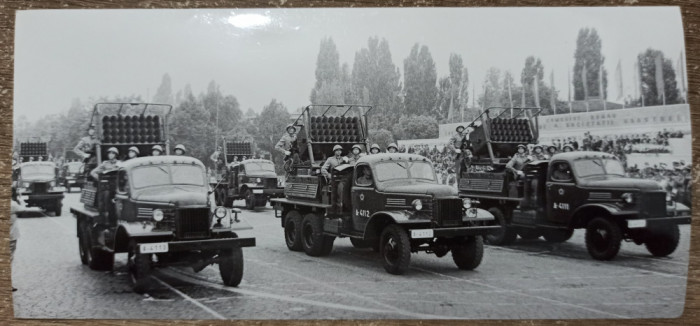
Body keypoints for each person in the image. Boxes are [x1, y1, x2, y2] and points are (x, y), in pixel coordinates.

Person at [90, 147, 121, 223]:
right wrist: (100, 180)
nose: (110, 155)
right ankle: (106, 218)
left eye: (113, 153)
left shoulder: (119, 163)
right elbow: (93, 172)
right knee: (106, 199)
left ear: (116, 155)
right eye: (109, 153)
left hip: (117, 186)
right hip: (107, 186)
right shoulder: (105, 163)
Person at [322, 145, 349, 212]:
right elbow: (323, 169)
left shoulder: (343, 159)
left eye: (340, 150)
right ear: (334, 151)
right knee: (334, 196)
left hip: (343, 178)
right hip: (334, 179)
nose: (338, 152)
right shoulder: (330, 159)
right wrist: (329, 176)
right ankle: (336, 210)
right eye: (337, 150)